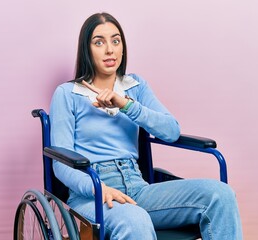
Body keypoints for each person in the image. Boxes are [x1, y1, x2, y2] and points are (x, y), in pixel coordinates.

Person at [49, 12, 242, 240]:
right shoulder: (67, 94)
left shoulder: (135, 87)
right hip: (92, 194)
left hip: (137, 187)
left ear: (123, 47)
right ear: (86, 49)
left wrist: (126, 105)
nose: (110, 49)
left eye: (116, 40)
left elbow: (171, 131)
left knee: (221, 195)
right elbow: (61, 165)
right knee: (135, 220)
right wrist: (98, 188)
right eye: (99, 42)